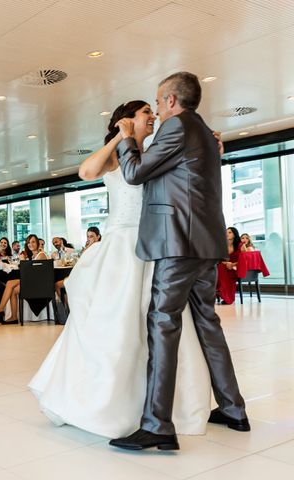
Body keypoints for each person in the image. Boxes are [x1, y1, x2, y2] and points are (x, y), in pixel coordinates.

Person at [30, 99, 213, 444]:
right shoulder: (117, 156)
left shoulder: (156, 154)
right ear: (128, 120)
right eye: (147, 113)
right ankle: (103, 404)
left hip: (155, 248)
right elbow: (86, 172)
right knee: (115, 324)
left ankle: (163, 407)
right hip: (121, 250)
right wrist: (119, 136)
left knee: (157, 324)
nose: (153, 117)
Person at [108, 72, 248, 451]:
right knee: (207, 324)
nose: (155, 108)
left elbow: (136, 173)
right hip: (205, 243)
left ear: (171, 100)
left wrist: (127, 140)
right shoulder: (203, 130)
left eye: (157, 101)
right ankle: (234, 409)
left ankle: (157, 425)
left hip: (178, 243)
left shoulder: (176, 128)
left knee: (162, 322)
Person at [216, 227, 242, 305]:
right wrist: (227, 263)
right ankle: (225, 296)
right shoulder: (222, 245)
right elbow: (218, 258)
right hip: (224, 267)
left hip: (236, 268)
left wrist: (232, 264)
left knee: (221, 269)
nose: (227, 234)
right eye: (226, 232)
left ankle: (225, 296)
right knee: (220, 266)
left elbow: (244, 260)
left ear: (234, 234)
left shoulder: (240, 245)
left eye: (230, 232)